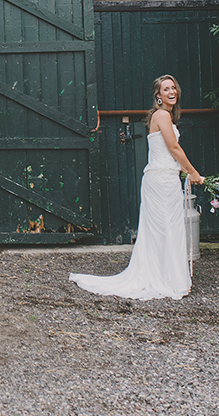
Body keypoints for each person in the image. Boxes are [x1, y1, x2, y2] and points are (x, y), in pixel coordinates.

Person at [69, 75, 204, 300]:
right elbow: (173, 148)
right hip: (160, 182)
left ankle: (171, 278)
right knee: (165, 230)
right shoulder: (161, 115)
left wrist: (181, 170)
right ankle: (167, 280)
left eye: (173, 88)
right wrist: (192, 171)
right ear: (158, 96)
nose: (172, 92)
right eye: (166, 89)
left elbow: (167, 152)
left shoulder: (166, 116)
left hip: (167, 178)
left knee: (169, 230)